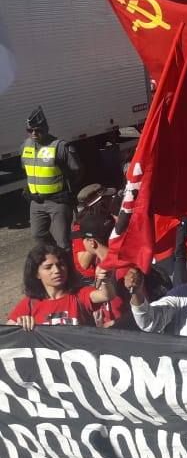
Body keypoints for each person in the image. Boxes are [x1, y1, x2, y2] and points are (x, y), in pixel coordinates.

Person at [7, 244, 118, 330]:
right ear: (36, 274)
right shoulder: (29, 304)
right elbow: (6, 335)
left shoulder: (81, 295)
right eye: (48, 267)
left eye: (61, 265)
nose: (57, 271)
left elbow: (107, 295)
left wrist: (104, 280)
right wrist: (19, 325)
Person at [22, 107, 80, 249]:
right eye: (30, 130)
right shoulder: (25, 146)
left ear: (45, 129)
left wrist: (68, 190)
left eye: (38, 130)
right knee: (38, 235)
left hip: (57, 201)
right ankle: (54, 256)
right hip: (36, 202)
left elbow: (77, 169)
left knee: (63, 241)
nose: (34, 133)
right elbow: (27, 169)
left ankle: (67, 266)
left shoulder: (59, 146)